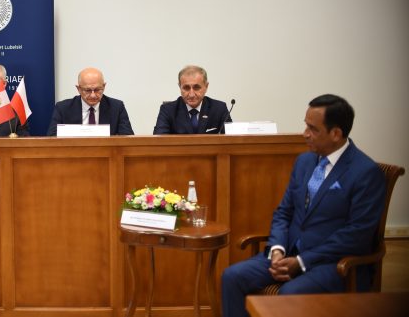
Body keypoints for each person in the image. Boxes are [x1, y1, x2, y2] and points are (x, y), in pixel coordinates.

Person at [221, 94, 386, 317]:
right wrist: (277, 249)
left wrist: (301, 261)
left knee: (289, 294)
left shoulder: (365, 172)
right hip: (287, 254)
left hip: (334, 264)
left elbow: (356, 235)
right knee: (232, 277)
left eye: (313, 129)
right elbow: (284, 212)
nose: (305, 133)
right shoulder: (304, 161)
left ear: (336, 134)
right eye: (305, 125)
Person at [47, 67, 133, 136]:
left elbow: (127, 139)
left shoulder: (117, 107)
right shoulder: (63, 108)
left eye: (97, 90)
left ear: (104, 86)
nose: (93, 95)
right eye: (87, 90)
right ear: (78, 89)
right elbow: (52, 139)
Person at [153, 65, 231, 134]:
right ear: (180, 87)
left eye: (196, 88)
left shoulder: (219, 109)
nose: (191, 94)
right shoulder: (167, 110)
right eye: (186, 88)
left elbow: (232, 140)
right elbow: (159, 142)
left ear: (206, 86)